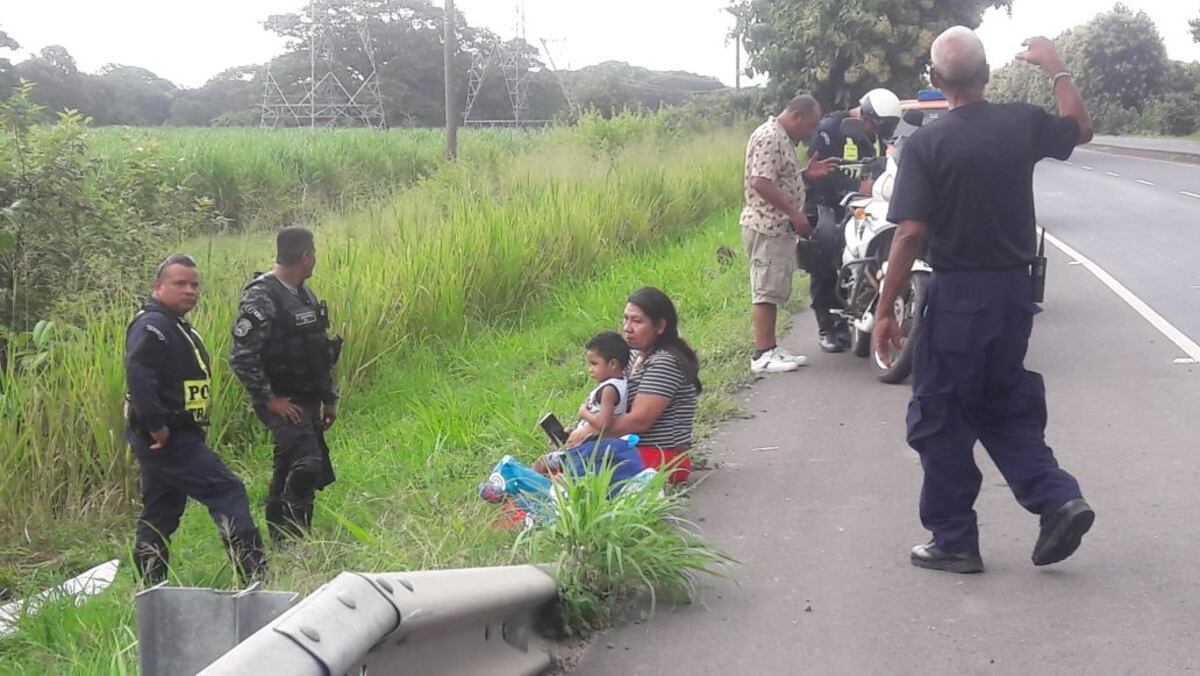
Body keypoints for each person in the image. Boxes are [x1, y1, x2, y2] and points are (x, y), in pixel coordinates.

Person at [873, 27, 1095, 574]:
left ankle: (953, 539)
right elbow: (1080, 129)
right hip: (1014, 294)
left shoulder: (926, 143)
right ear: (988, 75)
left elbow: (908, 233)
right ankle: (1057, 500)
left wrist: (883, 311)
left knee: (940, 417)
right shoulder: (1020, 123)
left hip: (959, 297)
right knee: (1001, 402)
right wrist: (1056, 67)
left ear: (933, 80)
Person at [124, 254, 266, 583]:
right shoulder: (152, 326)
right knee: (227, 490)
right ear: (159, 286)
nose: (190, 290)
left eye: (195, 285)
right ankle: (254, 576)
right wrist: (156, 427)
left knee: (160, 511)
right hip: (170, 438)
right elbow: (139, 377)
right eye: (180, 284)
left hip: (172, 435)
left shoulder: (173, 324)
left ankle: (151, 587)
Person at [229, 226, 343, 542]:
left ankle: (281, 535)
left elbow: (319, 350)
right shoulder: (261, 296)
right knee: (308, 464)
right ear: (305, 256)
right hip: (283, 400)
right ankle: (294, 539)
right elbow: (241, 356)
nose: (315, 259)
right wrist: (269, 400)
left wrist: (328, 397)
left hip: (308, 397)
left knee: (288, 466)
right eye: (314, 253)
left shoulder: (303, 293)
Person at [740, 95, 839, 374]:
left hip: (777, 227)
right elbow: (760, 182)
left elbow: (779, 178)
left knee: (774, 288)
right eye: (809, 126)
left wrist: (806, 175)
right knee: (765, 290)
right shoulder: (770, 136)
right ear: (796, 115)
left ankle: (770, 347)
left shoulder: (782, 138)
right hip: (766, 225)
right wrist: (795, 214)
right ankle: (762, 354)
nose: (810, 134)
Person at [563, 287, 701, 483]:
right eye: (626, 319)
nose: (627, 328)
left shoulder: (665, 361)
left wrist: (587, 433)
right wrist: (582, 433)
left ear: (660, 326)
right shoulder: (633, 356)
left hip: (665, 457)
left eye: (637, 321)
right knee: (565, 465)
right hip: (629, 447)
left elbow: (639, 421)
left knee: (570, 469)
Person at [806, 88, 902, 353]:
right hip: (826, 205)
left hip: (861, 205)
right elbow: (818, 172)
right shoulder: (829, 129)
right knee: (824, 257)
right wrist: (857, 185)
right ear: (865, 115)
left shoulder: (879, 136)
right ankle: (827, 326)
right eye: (876, 124)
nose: (877, 131)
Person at [575, 331, 631, 437]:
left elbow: (604, 424)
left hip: (596, 444)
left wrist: (584, 413)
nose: (590, 369)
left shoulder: (609, 390)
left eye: (594, 364)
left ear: (613, 364)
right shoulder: (618, 384)